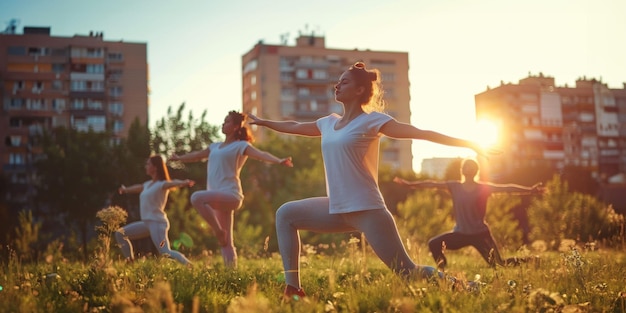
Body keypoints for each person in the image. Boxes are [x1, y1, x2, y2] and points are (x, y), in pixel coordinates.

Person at [249, 61, 494, 300]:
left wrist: (471, 143)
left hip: (368, 209)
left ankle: (465, 286)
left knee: (407, 272)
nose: (337, 85)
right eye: (338, 81)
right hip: (337, 207)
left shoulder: (372, 121)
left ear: (359, 90)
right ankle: (293, 290)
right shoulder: (328, 123)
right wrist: (263, 122)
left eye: (344, 82)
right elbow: (294, 125)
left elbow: (421, 133)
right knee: (286, 214)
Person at [170, 110, 293, 268]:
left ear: (236, 127)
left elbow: (260, 154)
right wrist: (179, 158)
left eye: (227, 121)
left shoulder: (240, 145)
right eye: (224, 121)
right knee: (226, 243)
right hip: (217, 198)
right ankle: (232, 273)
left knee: (196, 198)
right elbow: (197, 155)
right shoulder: (214, 147)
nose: (223, 123)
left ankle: (218, 231)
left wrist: (279, 160)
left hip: (231, 195)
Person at [393, 158, 544, 270]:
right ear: (462, 170)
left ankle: (531, 261)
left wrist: (530, 190)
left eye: (471, 166)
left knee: (499, 264)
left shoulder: (483, 188)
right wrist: (410, 184)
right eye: (466, 165)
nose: (468, 168)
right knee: (434, 243)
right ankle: (442, 270)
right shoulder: (454, 186)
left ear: (475, 170)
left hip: (481, 234)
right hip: (460, 234)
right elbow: (432, 184)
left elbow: (507, 188)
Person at [116, 155, 195, 265]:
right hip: (146, 223)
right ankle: (130, 261)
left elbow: (172, 183)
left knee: (165, 252)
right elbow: (137, 187)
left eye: (148, 164)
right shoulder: (147, 185)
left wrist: (184, 182)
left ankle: (190, 265)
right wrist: (125, 190)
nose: (146, 166)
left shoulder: (161, 184)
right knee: (120, 234)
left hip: (157, 223)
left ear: (155, 167)